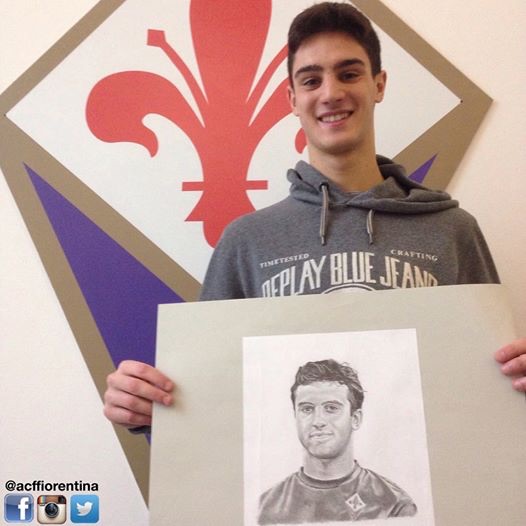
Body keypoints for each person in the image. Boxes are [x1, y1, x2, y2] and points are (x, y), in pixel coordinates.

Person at [103, 2, 526, 432]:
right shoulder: (247, 241)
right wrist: (148, 406)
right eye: (311, 80)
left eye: (349, 74)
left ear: (379, 84)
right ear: (292, 98)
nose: (330, 93)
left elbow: (490, 390)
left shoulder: (452, 230)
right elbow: (210, 396)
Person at [258, 359, 417, 524]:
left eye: (331, 408)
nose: (318, 421)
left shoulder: (394, 505)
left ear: (355, 418)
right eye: (307, 409)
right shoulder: (265, 507)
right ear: (295, 417)